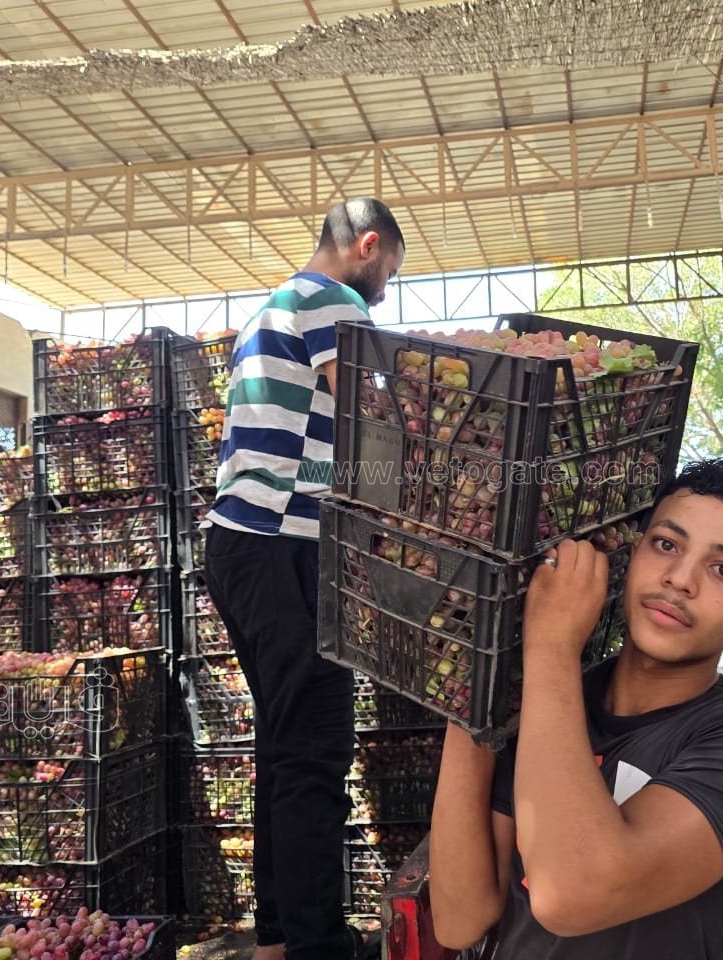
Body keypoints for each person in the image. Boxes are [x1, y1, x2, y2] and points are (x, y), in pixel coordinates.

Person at [429, 458, 723, 959]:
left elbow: (571, 895)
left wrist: (551, 645)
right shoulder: (547, 701)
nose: (680, 579)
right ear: (629, 555)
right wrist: (472, 689)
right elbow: (460, 921)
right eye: (666, 544)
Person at [202, 197, 404, 960]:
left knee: (285, 748)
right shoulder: (334, 302)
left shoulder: (268, 312)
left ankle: (280, 936)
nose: (384, 289)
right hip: (286, 547)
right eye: (389, 271)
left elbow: (320, 442)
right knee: (315, 749)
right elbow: (372, 421)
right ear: (367, 245)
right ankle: (319, 946)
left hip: (240, 546)